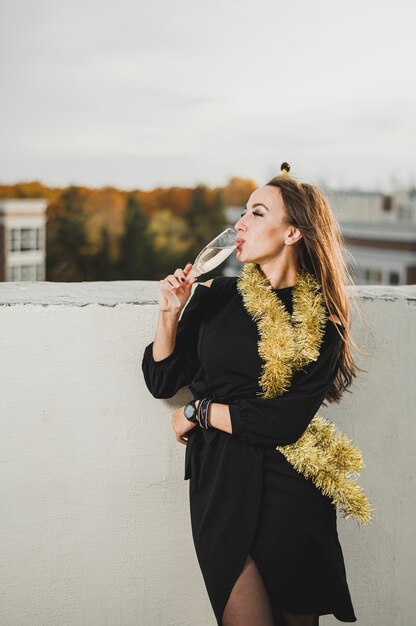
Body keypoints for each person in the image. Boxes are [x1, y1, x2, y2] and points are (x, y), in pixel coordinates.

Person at [142, 163, 363, 626]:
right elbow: (163, 380)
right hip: (220, 484)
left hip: (293, 491)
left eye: (257, 213)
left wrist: (199, 411)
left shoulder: (325, 324)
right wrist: (169, 313)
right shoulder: (217, 296)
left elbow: (282, 422)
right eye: (243, 212)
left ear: (292, 234)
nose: (240, 224)